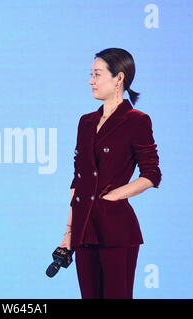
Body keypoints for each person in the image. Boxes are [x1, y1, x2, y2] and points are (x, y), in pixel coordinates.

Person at [59, 48, 161, 299]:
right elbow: (78, 180)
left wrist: (113, 196)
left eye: (97, 74)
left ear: (119, 78)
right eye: (90, 74)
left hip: (116, 229)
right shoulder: (85, 122)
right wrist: (69, 233)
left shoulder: (137, 120)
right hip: (84, 230)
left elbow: (151, 174)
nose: (90, 81)